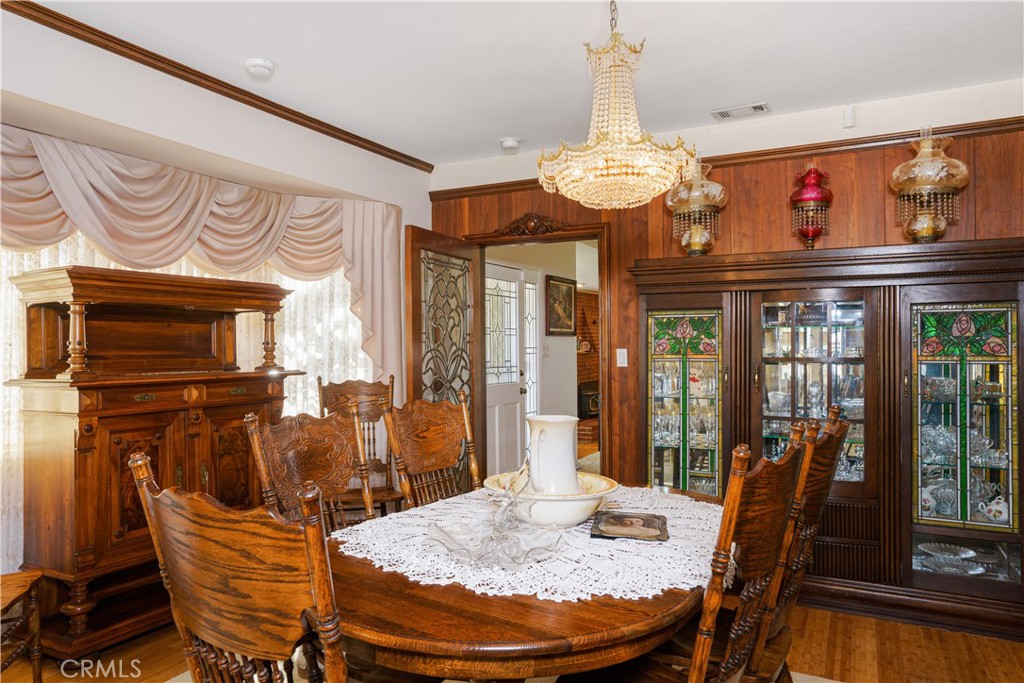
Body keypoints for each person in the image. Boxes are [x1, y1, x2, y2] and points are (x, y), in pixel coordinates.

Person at [596, 514, 663, 539]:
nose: (632, 522)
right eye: (628, 520)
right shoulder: (608, 528)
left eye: (637, 521)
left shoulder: (653, 531)